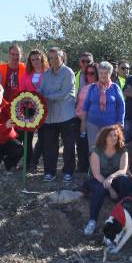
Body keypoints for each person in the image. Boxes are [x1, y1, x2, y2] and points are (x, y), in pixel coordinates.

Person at [84, 125, 132, 235]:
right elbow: (97, 174)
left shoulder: (123, 150)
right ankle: (92, 221)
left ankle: (126, 217)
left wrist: (111, 177)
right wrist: (111, 190)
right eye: (110, 135)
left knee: (125, 181)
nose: (114, 138)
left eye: (116, 136)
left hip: (115, 178)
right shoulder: (96, 151)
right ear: (104, 137)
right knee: (99, 189)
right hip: (97, 179)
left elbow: (123, 170)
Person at [38, 47, 77, 182]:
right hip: (50, 117)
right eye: (51, 58)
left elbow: (63, 93)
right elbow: (40, 89)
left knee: (69, 146)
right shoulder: (47, 74)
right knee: (49, 146)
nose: (53, 60)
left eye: (56, 57)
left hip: (66, 116)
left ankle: (68, 171)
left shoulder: (68, 73)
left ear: (62, 58)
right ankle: (49, 172)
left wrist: (45, 97)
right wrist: (37, 96)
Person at [18, 49, 49, 171]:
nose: (35, 61)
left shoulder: (48, 73)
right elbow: (21, 91)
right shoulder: (26, 74)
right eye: (33, 59)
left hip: (44, 110)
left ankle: (34, 162)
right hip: (28, 109)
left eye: (38, 59)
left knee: (42, 138)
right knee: (27, 137)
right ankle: (27, 162)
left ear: (42, 59)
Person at [82, 61, 125, 148]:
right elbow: (86, 105)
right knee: (93, 149)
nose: (103, 75)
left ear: (110, 74)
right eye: (101, 73)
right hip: (92, 124)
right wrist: (83, 122)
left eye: (106, 73)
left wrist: (120, 122)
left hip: (110, 125)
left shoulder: (115, 87)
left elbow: (121, 105)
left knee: (109, 149)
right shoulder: (92, 87)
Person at [75, 62, 98, 172]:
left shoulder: (101, 88)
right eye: (86, 73)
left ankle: (94, 169)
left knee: (94, 146)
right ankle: (82, 167)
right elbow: (78, 104)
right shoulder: (83, 88)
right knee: (81, 146)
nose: (89, 75)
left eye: (92, 73)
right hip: (80, 120)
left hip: (94, 121)